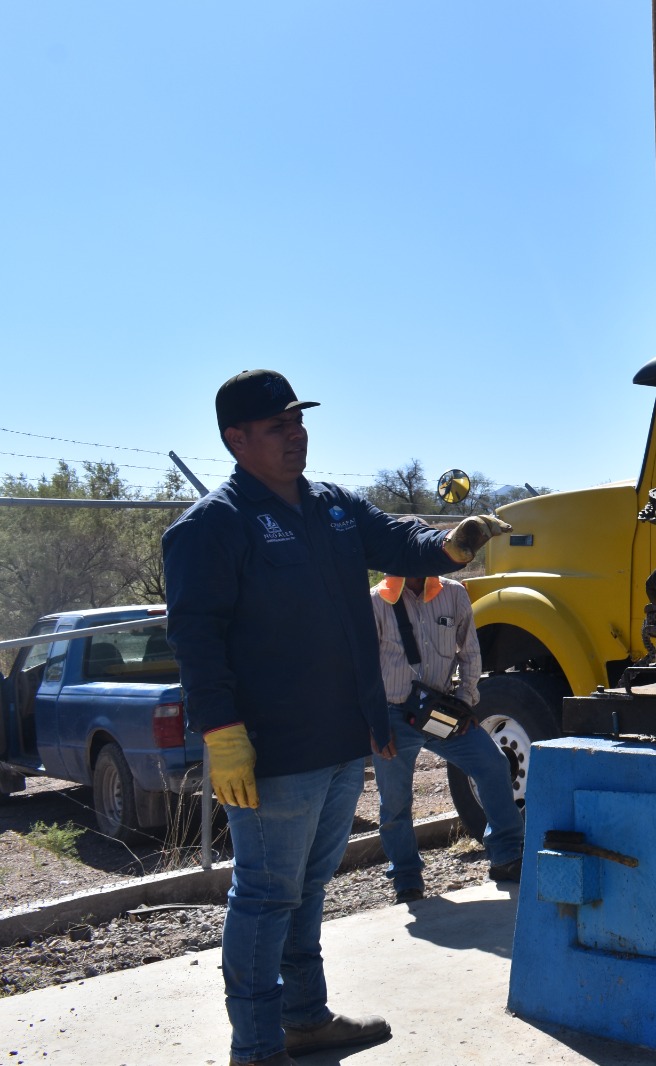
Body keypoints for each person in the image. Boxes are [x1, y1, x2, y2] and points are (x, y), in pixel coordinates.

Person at [163, 369, 512, 1066]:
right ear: (236, 439)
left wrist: (454, 543)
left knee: (307, 888)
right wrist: (221, 731)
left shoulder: (334, 508)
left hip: (345, 736)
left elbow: (403, 543)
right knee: (265, 896)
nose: (295, 436)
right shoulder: (213, 527)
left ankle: (304, 1018)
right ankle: (256, 1046)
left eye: (298, 421)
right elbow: (195, 637)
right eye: (275, 427)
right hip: (272, 749)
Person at [370, 547, 525, 903]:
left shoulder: (453, 594)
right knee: (395, 801)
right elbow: (361, 669)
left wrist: (467, 701)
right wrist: (374, 725)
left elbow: (470, 652)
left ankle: (506, 856)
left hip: (441, 712)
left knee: (491, 765)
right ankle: (407, 879)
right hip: (392, 715)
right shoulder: (376, 602)